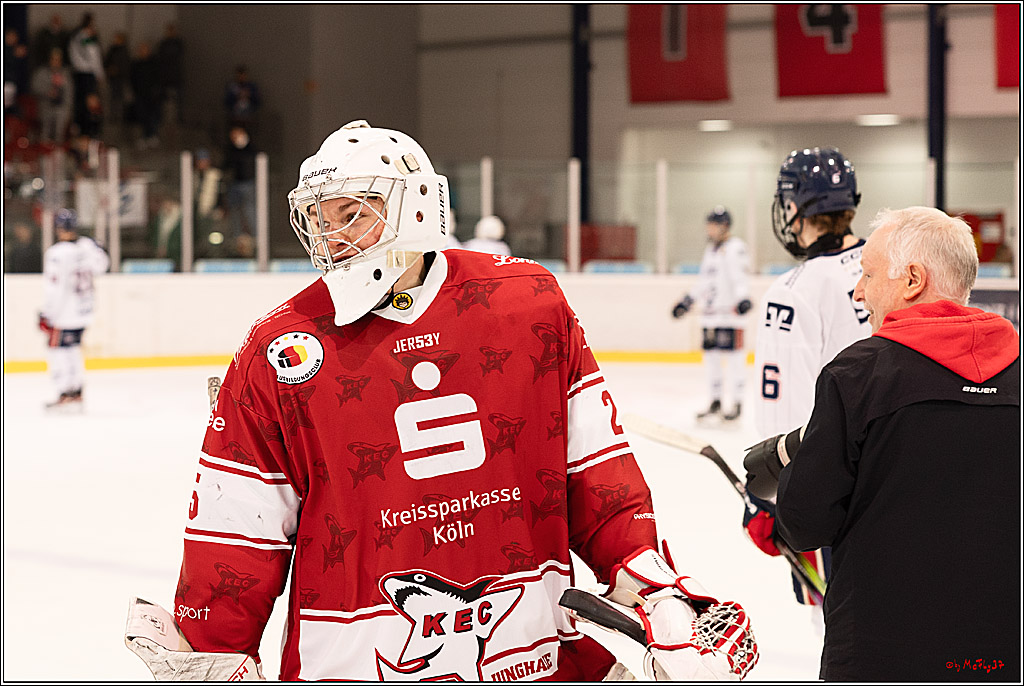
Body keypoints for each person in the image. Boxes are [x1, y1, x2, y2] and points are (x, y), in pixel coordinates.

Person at [168, 120, 757, 681]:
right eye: (320, 219)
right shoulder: (281, 349)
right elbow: (235, 537)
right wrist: (213, 659)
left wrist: (659, 593)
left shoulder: (528, 305)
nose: (333, 239)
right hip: (350, 665)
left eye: (352, 214)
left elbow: (602, 484)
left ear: (416, 205)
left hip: (527, 655)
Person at [759, 206, 1019, 681]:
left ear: (912, 280)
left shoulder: (856, 376)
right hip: (1000, 656)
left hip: (880, 652)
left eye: (869, 273)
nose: (860, 291)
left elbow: (803, 521)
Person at [742, 147, 871, 625]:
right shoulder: (894, 269)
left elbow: (784, 413)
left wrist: (768, 501)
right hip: (906, 478)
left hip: (837, 498)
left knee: (846, 639)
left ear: (795, 206)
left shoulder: (794, 292)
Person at [671, 206, 751, 422]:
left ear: (724, 226)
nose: (709, 229)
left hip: (731, 316)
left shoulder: (736, 248)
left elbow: (739, 277)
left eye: (712, 225)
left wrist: (743, 298)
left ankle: (737, 401)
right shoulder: (711, 250)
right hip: (710, 315)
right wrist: (687, 301)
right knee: (712, 360)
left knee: (735, 360)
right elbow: (704, 281)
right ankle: (715, 401)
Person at [39, 209, 110, 409]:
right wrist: (100, 249)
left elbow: (56, 288)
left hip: (64, 313)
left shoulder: (56, 253)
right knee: (73, 348)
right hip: (85, 310)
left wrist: (48, 313)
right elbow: (102, 266)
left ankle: (65, 390)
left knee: (57, 350)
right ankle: (76, 388)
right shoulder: (87, 246)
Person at [66, 13, 104, 137]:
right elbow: (94, 57)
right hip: (88, 73)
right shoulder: (87, 37)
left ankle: (79, 127)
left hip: (77, 73)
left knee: (79, 101)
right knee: (89, 102)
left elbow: (72, 55)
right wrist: (99, 73)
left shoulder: (74, 36)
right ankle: (88, 131)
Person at [222, 124, 257, 253]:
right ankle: (236, 237)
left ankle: (255, 236)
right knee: (235, 211)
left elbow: (253, 163)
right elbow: (226, 165)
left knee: (250, 210)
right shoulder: (230, 150)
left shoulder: (252, 150)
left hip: (248, 183)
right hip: (235, 184)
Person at [31, 47, 73, 144]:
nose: (55, 62)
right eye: (53, 59)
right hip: (45, 105)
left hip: (61, 107)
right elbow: (34, 87)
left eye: (58, 60)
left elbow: (69, 94)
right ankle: (44, 149)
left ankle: (57, 153)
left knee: (60, 128)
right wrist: (47, 92)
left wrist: (68, 108)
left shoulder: (65, 74)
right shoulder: (42, 72)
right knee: (45, 133)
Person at [224, 64, 260, 130]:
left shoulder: (251, 87)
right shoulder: (232, 87)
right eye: (239, 75)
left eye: (243, 75)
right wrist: (237, 96)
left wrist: (249, 95)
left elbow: (258, 101)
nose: (241, 77)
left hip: (248, 118)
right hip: (235, 119)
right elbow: (226, 102)